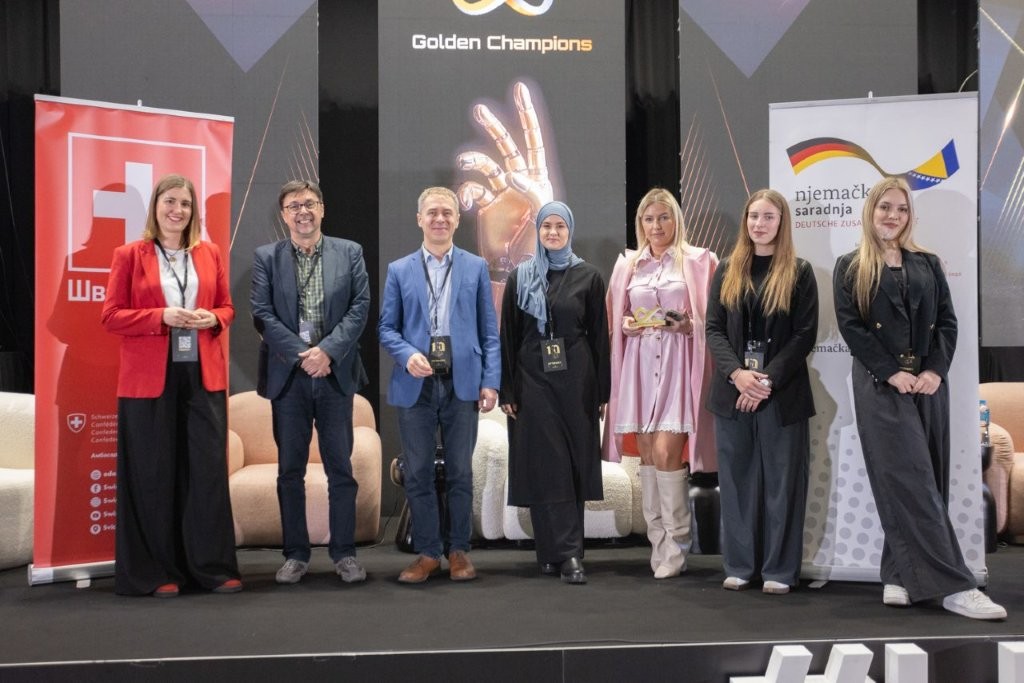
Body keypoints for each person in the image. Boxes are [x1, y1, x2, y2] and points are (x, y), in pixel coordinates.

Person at [833, 176, 1007, 619]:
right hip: (880, 384)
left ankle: (898, 573)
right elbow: (852, 327)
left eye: (902, 208)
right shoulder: (850, 266)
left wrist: (934, 371)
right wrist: (891, 373)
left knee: (927, 479)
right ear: (870, 211)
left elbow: (947, 322)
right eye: (885, 207)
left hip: (928, 384)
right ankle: (954, 586)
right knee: (908, 478)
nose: (893, 215)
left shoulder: (927, 264)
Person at [101, 174, 240, 597]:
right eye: (170, 201)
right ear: (156, 207)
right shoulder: (129, 254)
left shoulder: (209, 252)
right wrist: (159, 316)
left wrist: (213, 318)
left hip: (203, 373)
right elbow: (110, 316)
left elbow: (227, 307)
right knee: (154, 472)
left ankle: (211, 569)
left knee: (206, 472)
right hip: (148, 379)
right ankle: (155, 572)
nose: (177, 210)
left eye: (185, 203)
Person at [251, 180, 370, 586]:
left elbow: (359, 307)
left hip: (335, 375)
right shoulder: (266, 258)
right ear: (284, 215)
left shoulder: (349, 252)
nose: (303, 211)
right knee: (290, 471)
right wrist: (304, 355)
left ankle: (345, 553)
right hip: (289, 378)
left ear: (322, 209)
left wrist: (327, 352)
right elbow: (262, 313)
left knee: (341, 469)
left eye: (309, 203)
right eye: (294, 206)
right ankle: (296, 555)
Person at [379, 186, 501, 584]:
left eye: (447, 213)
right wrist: (405, 354)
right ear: (420, 219)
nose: (440, 219)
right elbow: (386, 328)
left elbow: (489, 331)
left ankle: (458, 550)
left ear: (457, 220)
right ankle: (429, 553)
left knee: (461, 471)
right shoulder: (399, 270)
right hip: (415, 382)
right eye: (432, 212)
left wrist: (491, 381)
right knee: (418, 472)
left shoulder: (475, 267)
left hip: (462, 382)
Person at [705, 189, 818, 595]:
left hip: (781, 396)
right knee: (737, 483)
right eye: (754, 216)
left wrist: (765, 380)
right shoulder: (727, 268)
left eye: (768, 217)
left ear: (781, 222)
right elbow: (713, 329)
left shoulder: (799, 272)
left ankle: (779, 571)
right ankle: (740, 566)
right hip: (733, 394)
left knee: (782, 485)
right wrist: (738, 375)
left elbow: (804, 335)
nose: (759, 224)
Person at [605, 188, 717, 579]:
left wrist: (689, 325)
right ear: (641, 223)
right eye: (649, 219)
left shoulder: (700, 261)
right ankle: (658, 543)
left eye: (664, 217)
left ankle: (678, 544)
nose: (656, 225)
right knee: (648, 456)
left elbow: (715, 318)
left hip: (678, 365)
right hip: (638, 367)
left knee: (668, 452)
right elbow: (615, 317)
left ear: (676, 220)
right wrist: (626, 324)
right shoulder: (628, 265)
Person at [499, 200, 610, 585]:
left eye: (560, 226)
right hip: (532, 380)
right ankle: (560, 553)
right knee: (545, 463)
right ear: (538, 231)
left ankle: (562, 552)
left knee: (570, 464)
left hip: (577, 381)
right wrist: (507, 390)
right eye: (546, 226)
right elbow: (509, 336)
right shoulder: (520, 277)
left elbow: (600, 336)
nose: (553, 232)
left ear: (570, 230)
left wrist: (603, 391)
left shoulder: (589, 277)